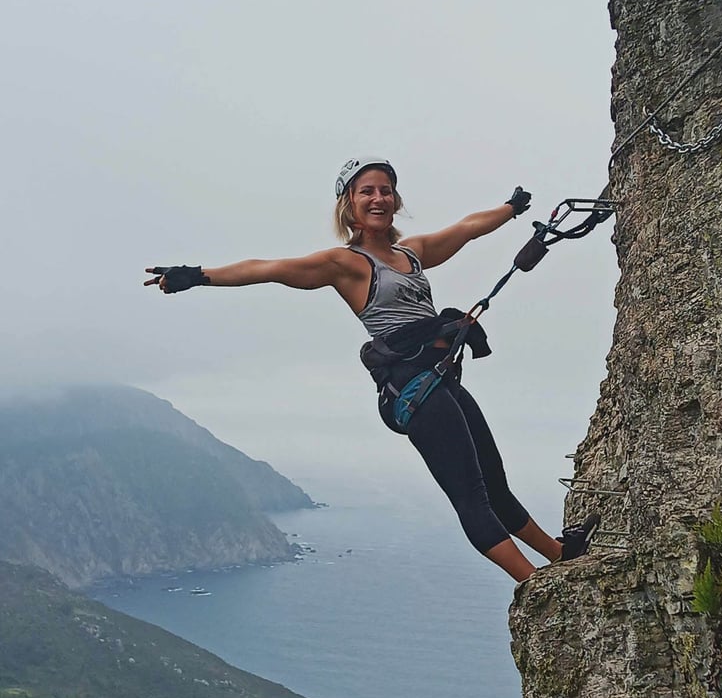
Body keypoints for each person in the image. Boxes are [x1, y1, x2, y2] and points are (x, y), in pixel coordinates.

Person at [144, 156, 599, 582]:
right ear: (349, 206)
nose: (379, 198)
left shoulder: (413, 254)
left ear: (396, 200)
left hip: (440, 381)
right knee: (471, 496)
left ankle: (559, 556)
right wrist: (197, 274)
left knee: (495, 484)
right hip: (411, 389)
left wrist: (510, 208)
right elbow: (270, 268)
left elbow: (464, 230)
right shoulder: (346, 264)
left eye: (386, 190)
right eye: (367, 192)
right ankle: (536, 583)